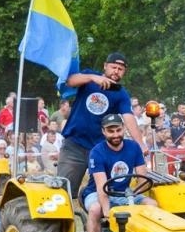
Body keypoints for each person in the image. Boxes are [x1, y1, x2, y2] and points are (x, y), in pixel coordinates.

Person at [58, 52, 138, 203]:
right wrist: (92, 78)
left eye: (120, 69)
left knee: (104, 191)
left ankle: (94, 216)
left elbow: (128, 117)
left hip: (100, 148)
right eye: (113, 67)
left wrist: (140, 144)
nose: (116, 71)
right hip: (74, 144)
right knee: (63, 191)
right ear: (105, 66)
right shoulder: (89, 76)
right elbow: (69, 81)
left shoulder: (121, 94)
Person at [83, 114, 150, 232]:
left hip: (124, 193)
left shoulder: (134, 147)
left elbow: (142, 179)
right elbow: (101, 187)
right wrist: (107, 212)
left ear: (124, 129)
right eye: (110, 131)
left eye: (118, 130)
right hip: (97, 192)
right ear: (104, 132)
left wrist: (134, 198)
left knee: (152, 205)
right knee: (95, 209)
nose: (115, 135)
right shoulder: (97, 152)